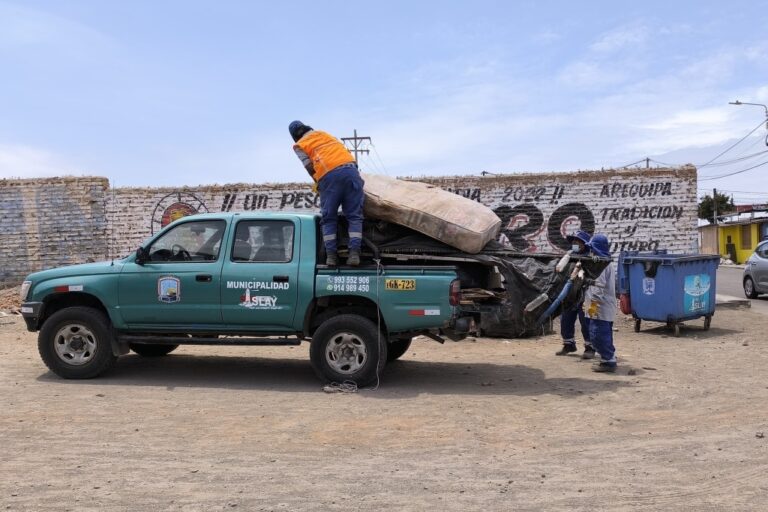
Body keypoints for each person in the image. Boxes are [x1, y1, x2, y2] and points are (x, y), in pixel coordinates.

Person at [289, 121, 364, 266]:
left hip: (329, 176)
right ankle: (354, 253)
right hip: (351, 172)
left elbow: (309, 167)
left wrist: (318, 182)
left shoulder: (300, 145)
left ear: (294, 136)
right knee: (354, 216)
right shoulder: (324, 134)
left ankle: (331, 256)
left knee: (329, 218)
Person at [556, 230, 596, 359]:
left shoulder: (592, 256)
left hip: (587, 294)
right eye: (573, 241)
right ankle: (569, 344)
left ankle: (590, 347)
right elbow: (560, 269)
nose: (575, 244)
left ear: (584, 243)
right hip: (571, 293)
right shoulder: (569, 255)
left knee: (587, 321)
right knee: (566, 319)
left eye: (577, 241)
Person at [584, 233, 618, 373]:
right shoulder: (603, 262)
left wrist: (592, 304)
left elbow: (598, 286)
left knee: (598, 334)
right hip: (602, 306)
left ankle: (608, 361)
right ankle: (608, 358)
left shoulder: (601, 264)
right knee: (602, 334)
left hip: (600, 306)